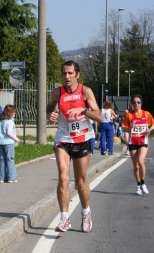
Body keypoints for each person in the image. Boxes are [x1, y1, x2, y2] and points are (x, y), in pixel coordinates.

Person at [47, 60, 102, 233]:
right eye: (64, 73)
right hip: (63, 138)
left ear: (77, 74)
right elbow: (49, 107)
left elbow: (99, 116)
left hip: (83, 138)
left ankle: (86, 213)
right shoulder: (57, 92)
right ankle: (64, 218)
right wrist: (51, 113)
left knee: (80, 181)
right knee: (63, 177)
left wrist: (83, 110)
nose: (67, 76)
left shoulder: (85, 91)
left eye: (70, 73)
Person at [121, 94, 154, 196]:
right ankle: (138, 186)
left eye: (138, 102)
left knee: (141, 162)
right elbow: (124, 129)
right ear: (131, 104)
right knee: (135, 166)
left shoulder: (146, 114)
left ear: (141, 103)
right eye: (134, 102)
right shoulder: (129, 115)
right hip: (133, 142)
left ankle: (143, 184)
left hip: (143, 141)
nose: (136, 104)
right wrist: (130, 128)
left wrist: (150, 129)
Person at [0, 104, 20, 183]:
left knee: (2, 160)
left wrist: (1, 137)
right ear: (10, 113)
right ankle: (11, 177)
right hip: (9, 143)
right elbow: (9, 133)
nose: (14, 114)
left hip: (1, 143)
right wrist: (16, 139)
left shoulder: (0, 122)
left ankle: (2, 177)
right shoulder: (10, 122)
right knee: (10, 159)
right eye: (13, 113)